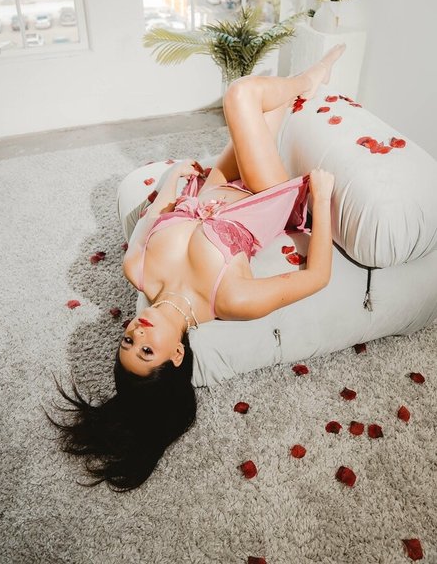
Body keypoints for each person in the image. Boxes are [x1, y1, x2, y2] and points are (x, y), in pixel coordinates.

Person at [50, 44, 346, 491]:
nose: (138, 332)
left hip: (213, 183)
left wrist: (172, 184)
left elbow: (156, 214)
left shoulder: (138, 269)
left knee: (271, 108)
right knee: (241, 95)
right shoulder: (230, 300)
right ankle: (315, 75)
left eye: (127, 341)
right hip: (263, 195)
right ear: (176, 355)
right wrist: (320, 200)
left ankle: (303, 85)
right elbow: (316, 277)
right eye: (146, 350)